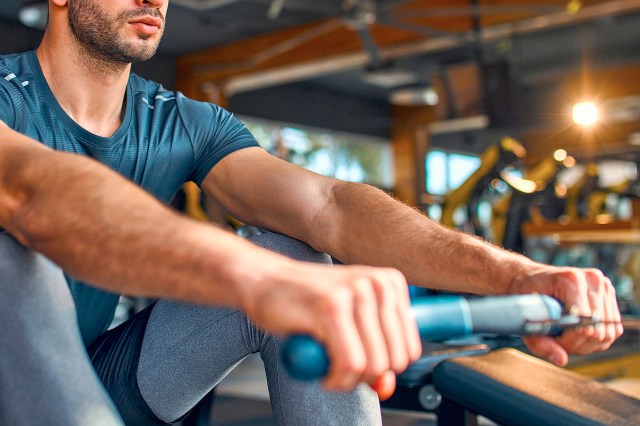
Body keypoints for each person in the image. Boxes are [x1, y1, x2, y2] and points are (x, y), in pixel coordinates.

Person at [0, 0, 623, 424]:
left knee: (293, 251)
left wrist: (515, 276)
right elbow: (34, 190)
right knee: (12, 256)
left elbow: (329, 207)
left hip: (107, 382)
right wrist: (262, 284)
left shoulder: (182, 122)